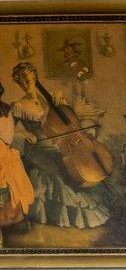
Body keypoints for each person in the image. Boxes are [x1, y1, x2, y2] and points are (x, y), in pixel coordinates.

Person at [10, 61, 111, 229]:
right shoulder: (18, 106)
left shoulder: (50, 97)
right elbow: (6, 129)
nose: (25, 84)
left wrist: (62, 103)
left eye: (27, 79)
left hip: (61, 143)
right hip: (39, 147)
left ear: (34, 77)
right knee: (56, 164)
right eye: (20, 81)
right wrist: (24, 133)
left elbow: (68, 120)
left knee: (69, 162)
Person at [0, 79, 35, 229]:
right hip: (8, 152)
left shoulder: (5, 111)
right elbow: (9, 136)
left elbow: (5, 136)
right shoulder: (7, 109)